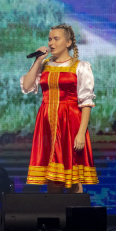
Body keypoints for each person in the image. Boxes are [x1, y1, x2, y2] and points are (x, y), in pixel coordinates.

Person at [21, 23, 98, 193]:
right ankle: (55, 217)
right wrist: (38, 60)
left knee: (73, 179)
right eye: (50, 39)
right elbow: (27, 86)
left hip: (70, 125)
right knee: (52, 178)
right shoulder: (45, 64)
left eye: (56, 39)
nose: (51, 43)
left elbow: (86, 103)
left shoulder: (80, 66)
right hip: (47, 125)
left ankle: (76, 217)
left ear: (68, 43)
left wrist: (81, 134)